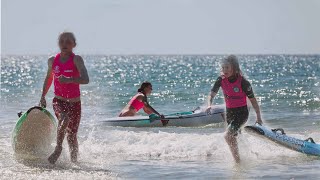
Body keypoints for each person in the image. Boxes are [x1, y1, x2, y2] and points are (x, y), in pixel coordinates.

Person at [39, 32, 89, 164]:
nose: (64, 44)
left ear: (74, 44)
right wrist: (43, 96)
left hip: (75, 103)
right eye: (62, 41)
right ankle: (58, 148)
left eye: (68, 41)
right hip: (59, 100)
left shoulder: (76, 59)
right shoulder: (52, 60)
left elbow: (86, 79)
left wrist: (69, 79)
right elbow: (49, 78)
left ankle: (74, 164)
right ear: (58, 43)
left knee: (72, 136)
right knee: (64, 118)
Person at [206, 55, 263, 163]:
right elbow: (211, 95)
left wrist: (258, 117)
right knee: (235, 136)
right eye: (223, 68)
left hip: (242, 113)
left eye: (227, 67)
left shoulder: (243, 82)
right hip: (230, 113)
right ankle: (251, 154)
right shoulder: (220, 80)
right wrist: (209, 104)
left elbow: (253, 100)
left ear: (234, 68)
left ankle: (238, 162)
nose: (224, 70)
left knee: (228, 136)